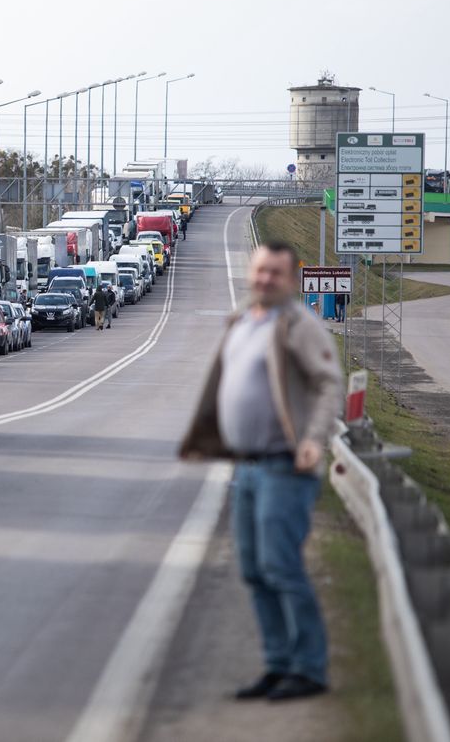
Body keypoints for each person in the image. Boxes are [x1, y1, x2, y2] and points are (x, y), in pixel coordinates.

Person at [179, 241, 344, 703]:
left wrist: (314, 439)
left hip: (284, 467)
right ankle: (278, 664)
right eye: (260, 271)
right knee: (253, 570)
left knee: (281, 566)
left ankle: (308, 668)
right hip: (246, 469)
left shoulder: (297, 325)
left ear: (291, 280)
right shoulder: (241, 320)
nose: (265, 280)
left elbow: (328, 384)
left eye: (276, 273)